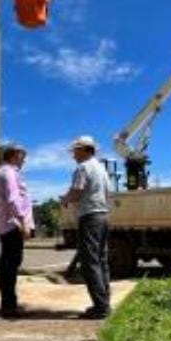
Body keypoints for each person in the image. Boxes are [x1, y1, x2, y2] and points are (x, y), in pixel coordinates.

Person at [61, 136, 111, 319]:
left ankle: (100, 307)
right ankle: (105, 301)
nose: (73, 154)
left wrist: (65, 200)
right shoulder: (101, 168)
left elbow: (77, 192)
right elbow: (107, 193)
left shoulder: (83, 168)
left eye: (76, 150)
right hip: (103, 216)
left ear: (85, 150)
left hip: (89, 217)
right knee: (102, 260)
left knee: (90, 262)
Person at [0, 144, 35, 319]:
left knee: (8, 265)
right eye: (23, 156)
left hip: (8, 224)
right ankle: (9, 306)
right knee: (10, 266)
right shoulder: (8, 173)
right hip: (13, 225)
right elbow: (13, 199)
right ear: (15, 155)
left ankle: (8, 303)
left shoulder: (2, 172)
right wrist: (24, 222)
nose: (24, 160)